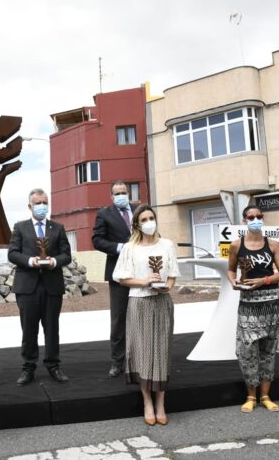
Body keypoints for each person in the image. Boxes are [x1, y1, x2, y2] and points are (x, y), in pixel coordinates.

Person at [112, 204, 179, 426]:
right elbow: (121, 278)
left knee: (162, 352)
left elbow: (172, 275)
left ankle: (161, 403)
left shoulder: (167, 245)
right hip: (139, 302)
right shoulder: (130, 248)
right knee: (142, 353)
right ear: (137, 225)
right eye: (144, 219)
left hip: (162, 302)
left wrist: (166, 287)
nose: (149, 222)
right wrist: (145, 281)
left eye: (152, 217)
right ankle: (147, 402)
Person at [226, 205, 279, 413]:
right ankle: (250, 396)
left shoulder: (272, 244)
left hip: (272, 304)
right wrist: (233, 281)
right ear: (244, 220)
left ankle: (266, 395)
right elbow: (230, 269)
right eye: (251, 217)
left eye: (258, 216)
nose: (255, 220)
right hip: (248, 305)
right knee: (247, 351)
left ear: (263, 218)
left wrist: (265, 280)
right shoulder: (236, 245)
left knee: (268, 352)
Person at [8, 188, 72, 386]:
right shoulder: (20, 227)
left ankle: (53, 366)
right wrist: (29, 261)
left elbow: (66, 255)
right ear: (30, 206)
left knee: (52, 329)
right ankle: (28, 367)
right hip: (27, 287)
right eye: (38, 203)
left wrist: (53, 261)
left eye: (45, 202)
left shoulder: (58, 228)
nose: (42, 206)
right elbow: (12, 254)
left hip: (52, 286)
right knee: (29, 329)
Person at [92, 180, 138, 377]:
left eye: (124, 192)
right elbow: (97, 240)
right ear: (111, 197)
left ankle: (138, 358)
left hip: (142, 272)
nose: (121, 195)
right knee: (119, 318)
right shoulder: (104, 214)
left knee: (139, 316)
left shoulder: (139, 210)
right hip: (118, 273)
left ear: (128, 193)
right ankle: (117, 362)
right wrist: (120, 247)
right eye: (117, 193)